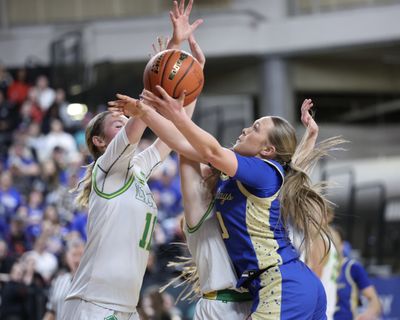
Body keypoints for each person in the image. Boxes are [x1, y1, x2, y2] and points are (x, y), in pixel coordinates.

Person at [133, 83, 346, 319]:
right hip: (293, 284)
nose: (245, 129)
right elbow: (184, 146)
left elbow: (209, 151)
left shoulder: (264, 171)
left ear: (267, 150)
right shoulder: (243, 175)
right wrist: (145, 112)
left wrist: (171, 114)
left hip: (281, 285)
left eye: (255, 128)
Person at [60, 1, 203, 319]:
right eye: (116, 122)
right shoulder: (106, 168)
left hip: (122, 306)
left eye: (124, 120)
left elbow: (175, 136)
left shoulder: (136, 170)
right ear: (99, 141)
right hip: (93, 304)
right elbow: (142, 115)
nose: (124, 122)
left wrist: (189, 88)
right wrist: (172, 51)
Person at [334, 233, 381, 320]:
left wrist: (365, 316)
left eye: (335, 244)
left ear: (342, 245)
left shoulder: (352, 267)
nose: (333, 248)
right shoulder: (315, 268)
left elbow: (375, 302)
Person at [43, 239, 84, 320]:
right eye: (73, 255)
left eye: (80, 255)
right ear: (66, 257)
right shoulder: (59, 281)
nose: (76, 260)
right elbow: (51, 311)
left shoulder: (93, 282)